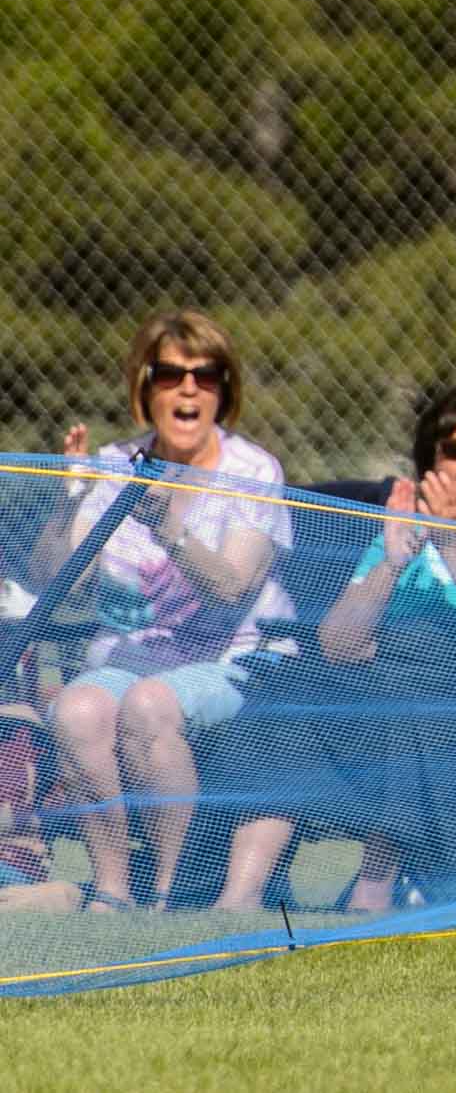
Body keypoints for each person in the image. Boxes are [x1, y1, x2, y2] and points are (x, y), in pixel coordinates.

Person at [208, 383, 456, 911]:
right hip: (397, 709)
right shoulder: (403, 531)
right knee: (289, 706)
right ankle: (240, 895)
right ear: (431, 464)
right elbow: (339, 646)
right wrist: (390, 563)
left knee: (421, 702)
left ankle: (375, 887)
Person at [32, 311, 294, 912]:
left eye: (206, 376)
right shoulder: (117, 465)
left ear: (224, 391)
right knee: (77, 708)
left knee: (150, 703)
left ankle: (174, 889)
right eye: (170, 374)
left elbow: (232, 588)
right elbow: (57, 581)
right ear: (143, 386)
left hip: (238, 655)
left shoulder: (252, 472)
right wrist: (70, 496)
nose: (188, 389)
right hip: (135, 653)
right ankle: (113, 887)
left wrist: (167, 524)